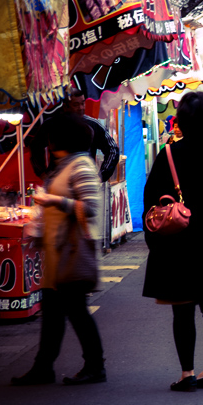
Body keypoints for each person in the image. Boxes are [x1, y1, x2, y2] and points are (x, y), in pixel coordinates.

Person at [142, 91, 203, 392]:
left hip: (175, 245)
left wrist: (154, 243)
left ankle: (187, 373)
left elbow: (150, 205)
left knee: (182, 309)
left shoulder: (168, 155)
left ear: (180, 120)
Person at [11, 113, 106, 386]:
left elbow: (89, 208)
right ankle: (43, 367)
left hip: (72, 253)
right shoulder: (64, 165)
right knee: (53, 313)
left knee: (76, 311)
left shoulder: (81, 167)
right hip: (57, 254)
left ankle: (95, 366)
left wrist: (52, 200)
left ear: (59, 139)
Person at [29, 88, 119, 183]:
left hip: (84, 181)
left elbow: (112, 149)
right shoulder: (52, 124)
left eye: (83, 103)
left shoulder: (93, 125)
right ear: (65, 106)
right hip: (58, 183)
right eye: (76, 105)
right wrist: (42, 172)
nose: (81, 108)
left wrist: (101, 176)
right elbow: (36, 146)